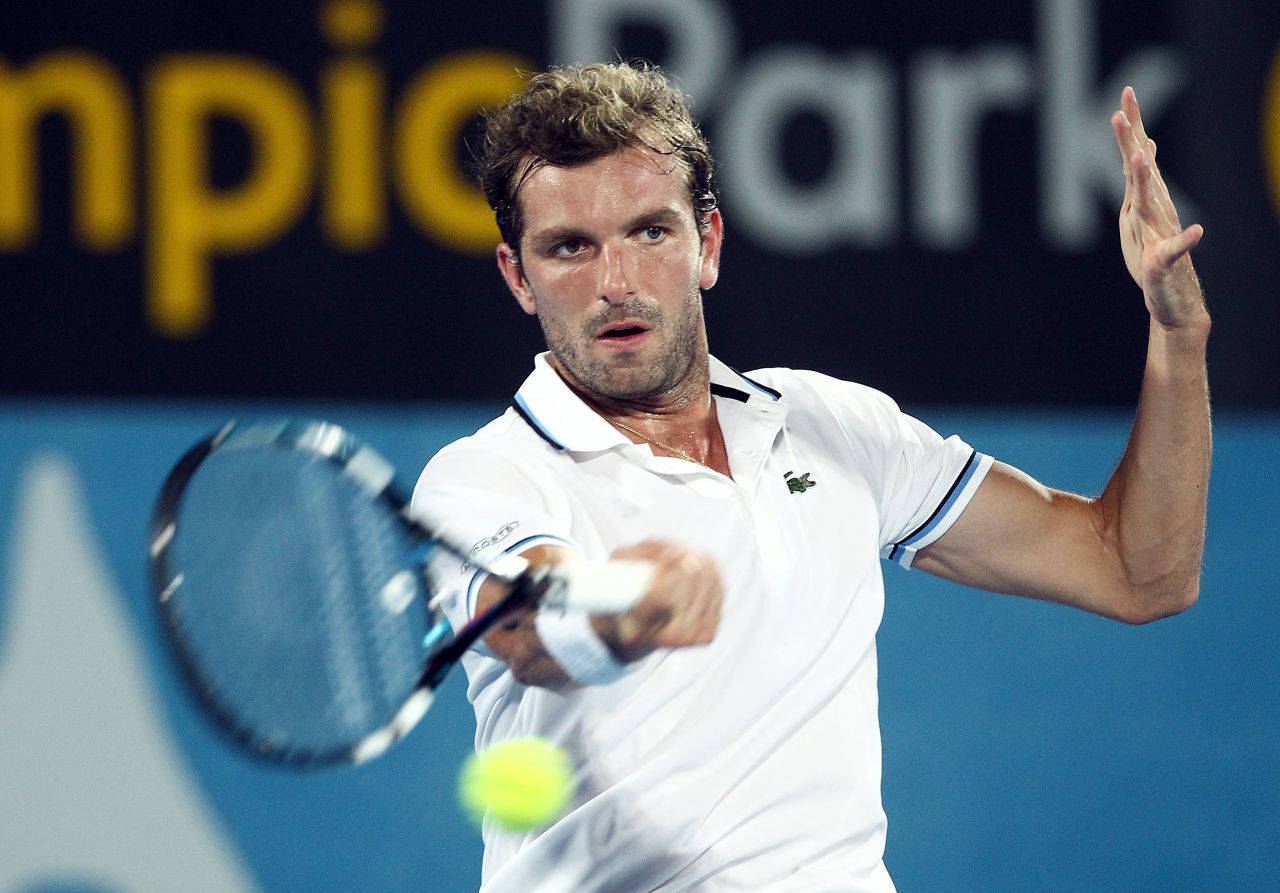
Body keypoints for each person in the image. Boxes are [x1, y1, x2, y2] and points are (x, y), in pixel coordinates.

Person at [411, 62, 1210, 891]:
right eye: (571, 246)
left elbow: (1137, 569)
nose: (616, 283)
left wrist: (1178, 337)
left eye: (650, 232)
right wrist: (621, 607)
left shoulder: (833, 424)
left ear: (707, 244)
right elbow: (524, 625)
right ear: (517, 276)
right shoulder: (484, 477)